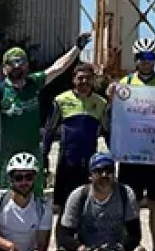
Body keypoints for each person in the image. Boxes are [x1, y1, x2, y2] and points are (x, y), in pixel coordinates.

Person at [0, 33, 92, 194]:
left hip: (32, 155)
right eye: (12, 63)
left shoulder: (33, 83)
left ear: (27, 66)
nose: (16, 67)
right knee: (4, 200)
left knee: (34, 200)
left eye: (21, 62)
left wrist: (77, 48)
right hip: (6, 156)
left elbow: (58, 67)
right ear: (4, 68)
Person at [109, 37, 155, 251]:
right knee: (131, 205)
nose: (145, 62)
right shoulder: (126, 83)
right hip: (132, 154)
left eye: (149, 57)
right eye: (141, 58)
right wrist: (111, 95)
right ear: (135, 60)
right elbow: (115, 116)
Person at [51, 152, 148, 251]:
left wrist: (116, 250)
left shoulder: (125, 193)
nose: (105, 175)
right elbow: (63, 235)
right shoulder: (79, 195)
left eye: (109, 170)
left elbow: (135, 234)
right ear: (90, 175)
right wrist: (83, 250)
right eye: (99, 171)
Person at [42, 63, 109, 224]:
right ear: (73, 79)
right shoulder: (61, 100)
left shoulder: (101, 103)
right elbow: (49, 130)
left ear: (93, 80)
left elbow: (108, 132)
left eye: (88, 78)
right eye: (80, 78)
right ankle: (63, 245)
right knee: (64, 207)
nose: (84, 81)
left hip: (90, 164)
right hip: (67, 161)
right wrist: (44, 153)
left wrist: (118, 153)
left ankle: (84, 244)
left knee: (88, 207)